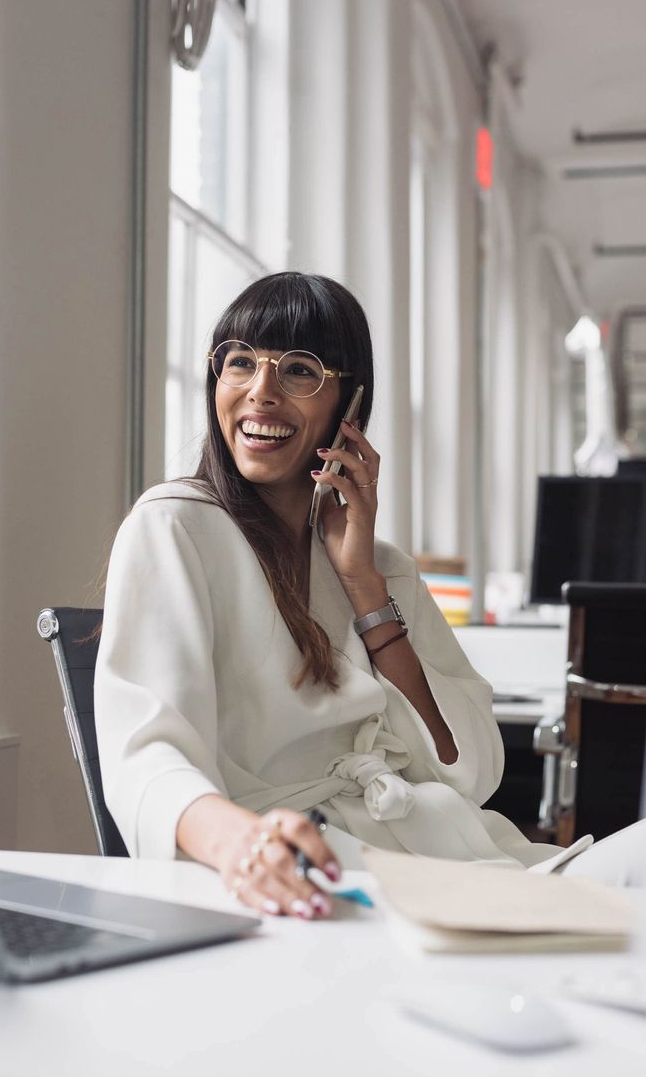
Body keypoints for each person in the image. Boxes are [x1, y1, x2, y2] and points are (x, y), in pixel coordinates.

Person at [94, 271, 646, 920]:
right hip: (324, 880)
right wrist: (245, 845)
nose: (260, 392)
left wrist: (364, 589)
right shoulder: (175, 526)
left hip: (459, 863)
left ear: (349, 405)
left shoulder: (382, 569)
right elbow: (145, 754)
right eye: (238, 362)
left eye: (298, 370)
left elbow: (473, 771)